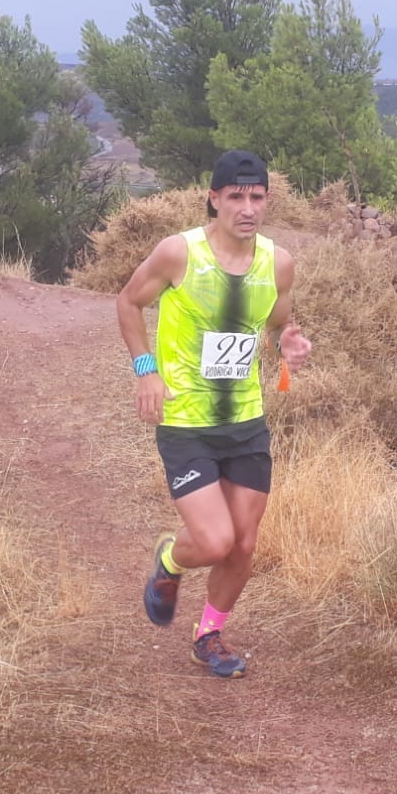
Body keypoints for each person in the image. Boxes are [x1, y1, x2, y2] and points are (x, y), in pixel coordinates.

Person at [116, 150, 311, 678]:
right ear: (214, 198)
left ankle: (208, 636)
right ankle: (171, 559)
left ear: (267, 199)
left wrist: (287, 343)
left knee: (243, 545)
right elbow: (129, 302)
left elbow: (275, 326)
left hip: (245, 420)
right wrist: (145, 370)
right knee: (214, 541)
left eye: (257, 197)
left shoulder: (279, 263)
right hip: (186, 422)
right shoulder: (179, 253)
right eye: (236, 197)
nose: (247, 209)